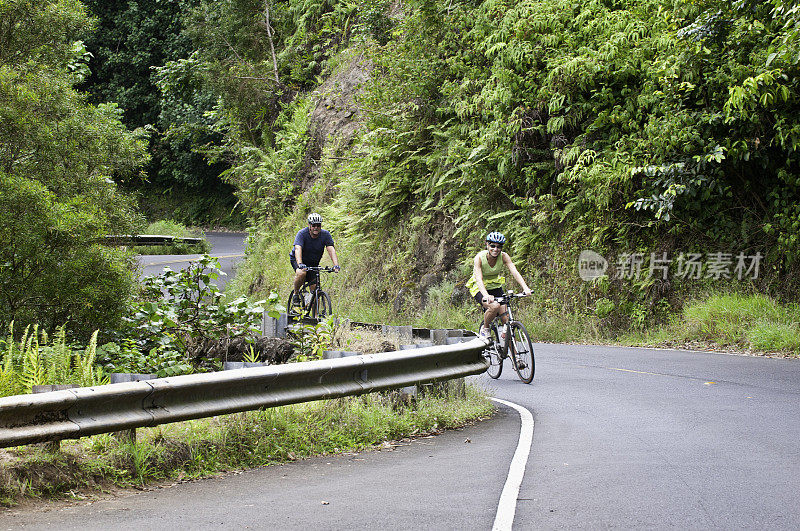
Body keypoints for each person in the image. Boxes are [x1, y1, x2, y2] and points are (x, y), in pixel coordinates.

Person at [467, 231, 532, 340]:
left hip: (495, 286)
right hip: (480, 288)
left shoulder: (504, 256)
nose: (495, 249)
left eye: (499, 246)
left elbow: (515, 272)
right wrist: (486, 295)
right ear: (487, 245)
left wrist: (525, 288)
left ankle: (515, 356)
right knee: (494, 306)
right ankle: (485, 328)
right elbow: (479, 279)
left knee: (506, 321)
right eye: (492, 246)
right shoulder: (479, 258)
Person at [289, 213, 340, 303]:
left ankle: (316, 316)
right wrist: (300, 264)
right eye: (313, 225)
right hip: (298, 259)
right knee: (301, 273)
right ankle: (296, 294)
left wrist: (336, 265)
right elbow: (298, 248)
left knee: (315, 291)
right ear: (309, 225)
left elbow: (331, 250)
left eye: (318, 225)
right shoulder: (302, 234)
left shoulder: (325, 235)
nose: (316, 227)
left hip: (313, 263)